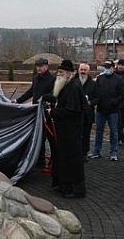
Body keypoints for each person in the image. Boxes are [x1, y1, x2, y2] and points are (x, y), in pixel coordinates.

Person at [44, 59, 87, 198]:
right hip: (63, 130)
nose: (58, 74)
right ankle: (64, 186)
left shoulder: (74, 87)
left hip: (71, 131)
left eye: (61, 72)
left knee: (72, 160)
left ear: (68, 74)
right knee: (63, 158)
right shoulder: (66, 84)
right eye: (58, 72)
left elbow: (71, 111)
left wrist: (53, 112)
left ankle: (76, 189)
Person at [15, 58, 56, 168]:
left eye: (41, 66)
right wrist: (18, 101)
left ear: (46, 67)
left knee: (51, 137)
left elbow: (54, 94)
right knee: (39, 137)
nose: (39, 68)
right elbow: (30, 92)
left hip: (47, 112)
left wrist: (45, 99)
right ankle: (40, 159)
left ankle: (54, 159)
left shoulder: (52, 79)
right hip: (36, 112)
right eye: (37, 66)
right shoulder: (36, 78)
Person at [90, 60, 124, 161]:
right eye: (105, 67)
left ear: (113, 68)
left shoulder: (118, 80)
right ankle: (97, 151)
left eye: (108, 67)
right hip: (100, 110)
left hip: (113, 111)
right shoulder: (100, 78)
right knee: (99, 131)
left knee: (114, 131)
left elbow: (122, 95)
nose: (107, 69)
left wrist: (114, 102)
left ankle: (113, 152)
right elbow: (96, 92)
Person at [77, 63, 97, 158]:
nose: (83, 72)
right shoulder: (73, 82)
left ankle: (84, 153)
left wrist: (91, 103)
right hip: (75, 113)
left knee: (86, 135)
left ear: (88, 72)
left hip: (87, 114)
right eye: (81, 69)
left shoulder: (93, 84)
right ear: (78, 70)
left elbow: (98, 98)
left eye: (85, 70)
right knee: (76, 134)